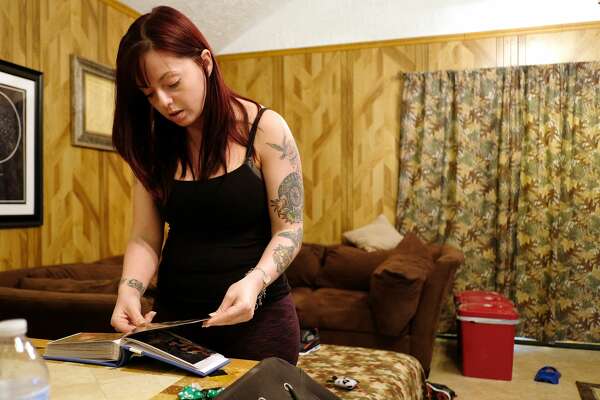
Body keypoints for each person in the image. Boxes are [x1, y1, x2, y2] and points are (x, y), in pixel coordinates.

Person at [109, 5, 303, 365]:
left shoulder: (265, 130)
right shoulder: (154, 149)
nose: (164, 103)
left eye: (172, 84)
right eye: (149, 94)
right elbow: (144, 237)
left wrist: (254, 283)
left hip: (258, 321)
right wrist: (129, 289)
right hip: (174, 323)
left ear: (205, 62)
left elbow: (289, 229)